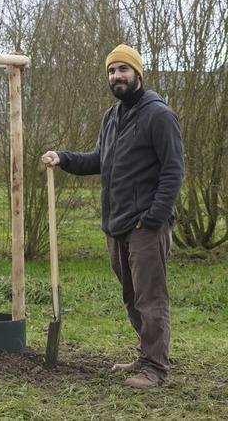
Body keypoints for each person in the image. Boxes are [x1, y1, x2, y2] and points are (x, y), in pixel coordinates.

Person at [41, 44, 184, 389]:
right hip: (117, 223)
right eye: (111, 71)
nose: (116, 76)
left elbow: (173, 170)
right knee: (131, 296)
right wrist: (63, 157)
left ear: (138, 73)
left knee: (150, 298)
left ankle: (154, 370)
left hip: (145, 226)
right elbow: (100, 160)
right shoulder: (112, 116)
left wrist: (154, 218)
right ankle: (146, 354)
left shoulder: (158, 115)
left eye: (123, 69)